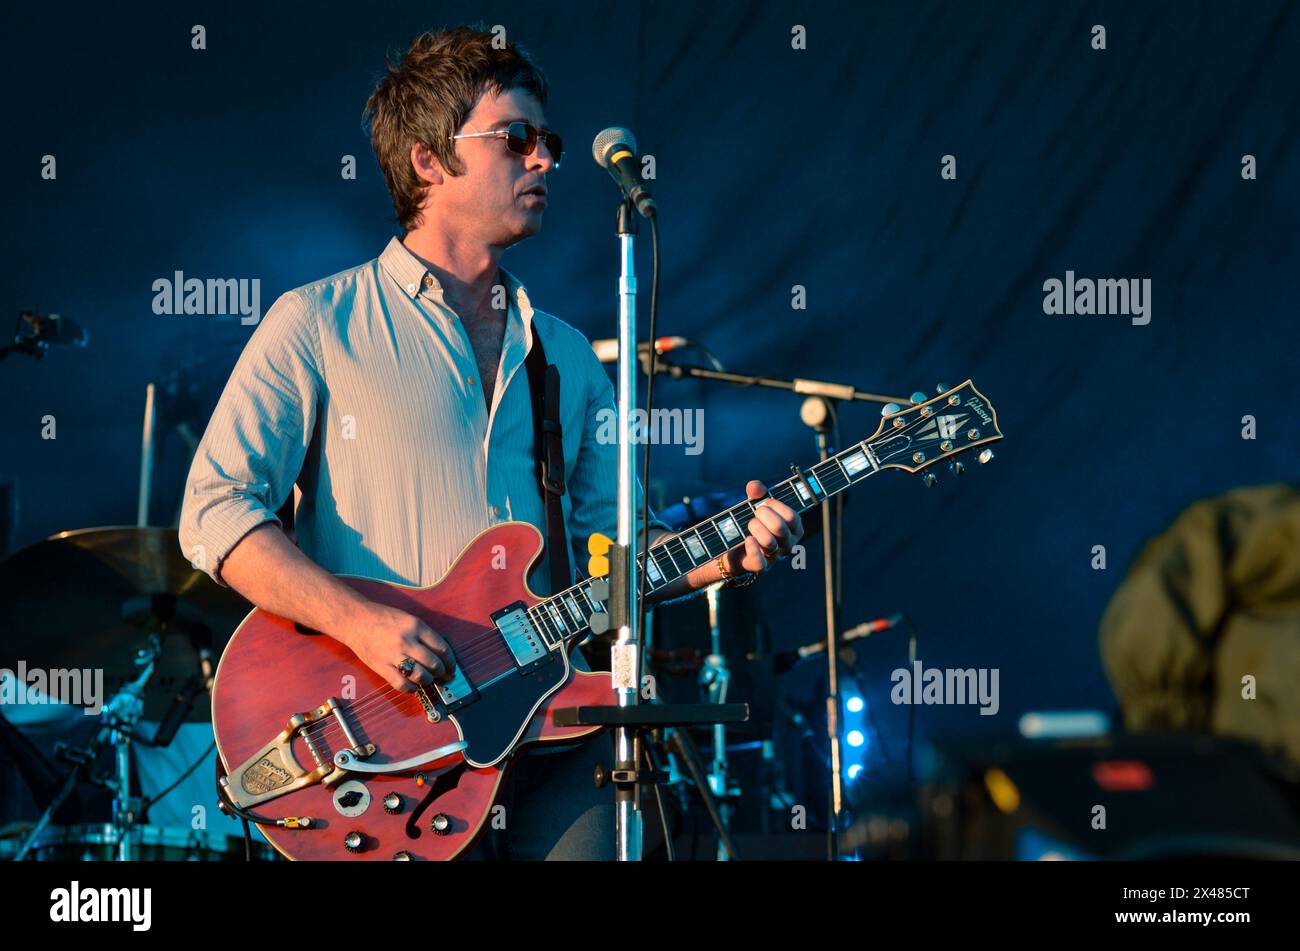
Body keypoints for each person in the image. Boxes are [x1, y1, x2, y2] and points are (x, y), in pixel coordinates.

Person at [179, 24, 803, 860]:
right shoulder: (317, 324)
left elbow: (615, 553)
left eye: (548, 141)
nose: (545, 158)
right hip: (383, 740)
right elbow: (213, 510)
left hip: (549, 730)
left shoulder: (569, 358)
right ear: (428, 162)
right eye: (517, 139)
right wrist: (360, 623)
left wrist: (724, 555)